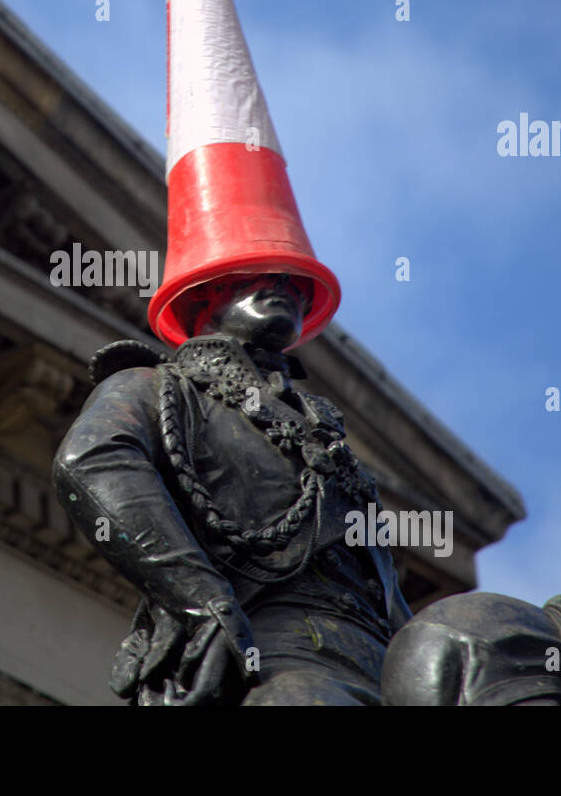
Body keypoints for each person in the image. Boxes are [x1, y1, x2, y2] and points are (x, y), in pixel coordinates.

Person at [53, 272, 412, 705]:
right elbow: (94, 460)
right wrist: (203, 600)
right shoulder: (158, 386)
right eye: (252, 275)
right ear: (200, 300)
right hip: (278, 650)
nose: (283, 286)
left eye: (295, 281)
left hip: (388, 661)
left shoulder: (328, 438)